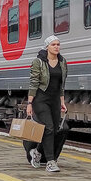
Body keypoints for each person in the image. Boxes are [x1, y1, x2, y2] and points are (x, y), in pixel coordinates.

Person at [27, 35, 67, 172]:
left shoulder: (62, 62)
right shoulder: (38, 62)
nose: (56, 47)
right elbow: (33, 84)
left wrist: (62, 101)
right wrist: (29, 103)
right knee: (48, 127)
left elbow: (62, 84)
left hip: (54, 99)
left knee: (54, 130)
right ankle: (50, 162)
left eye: (58, 44)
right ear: (47, 47)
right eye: (53, 44)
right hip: (41, 99)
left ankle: (37, 152)